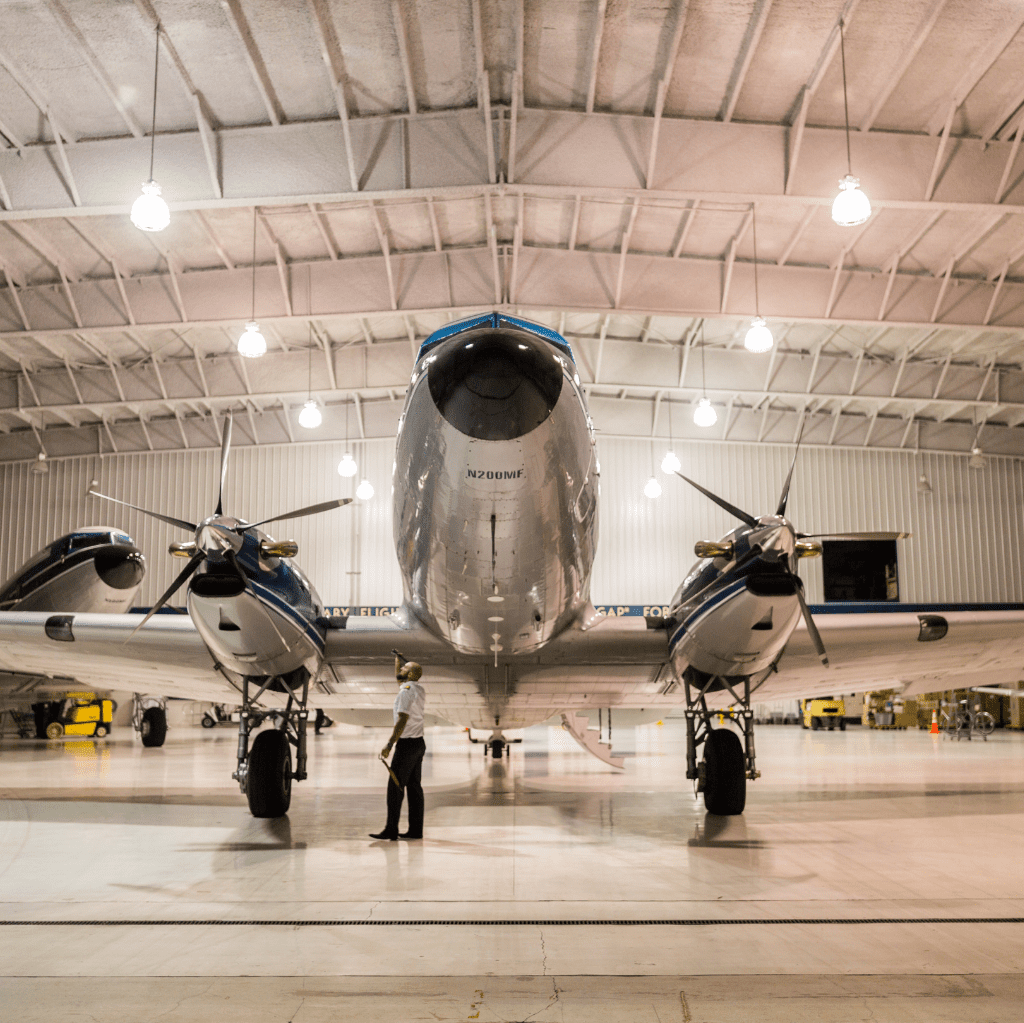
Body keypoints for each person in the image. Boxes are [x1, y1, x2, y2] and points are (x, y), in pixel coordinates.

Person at [370, 654, 426, 841]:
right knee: (414, 787)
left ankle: (391, 829)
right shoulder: (417, 689)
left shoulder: (405, 692)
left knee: (395, 788)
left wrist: (389, 744)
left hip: (407, 744)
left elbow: (402, 719)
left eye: (403, 669)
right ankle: (416, 830)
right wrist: (397, 661)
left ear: (409, 674)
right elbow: (400, 680)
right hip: (418, 743)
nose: (400, 671)